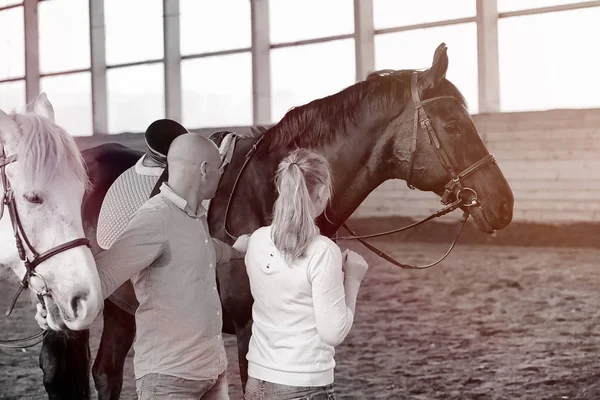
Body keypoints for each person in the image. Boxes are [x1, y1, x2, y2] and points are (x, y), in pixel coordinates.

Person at [37, 133, 248, 400]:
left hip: (212, 373)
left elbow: (204, 248)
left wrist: (237, 250)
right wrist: (55, 306)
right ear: (205, 169)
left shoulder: (195, 218)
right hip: (170, 381)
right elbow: (104, 276)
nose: (222, 176)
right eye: (219, 169)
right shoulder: (154, 219)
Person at [242, 148, 369, 400]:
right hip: (304, 384)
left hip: (257, 380)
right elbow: (333, 333)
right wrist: (352, 280)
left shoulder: (256, 240)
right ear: (321, 192)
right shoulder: (322, 251)